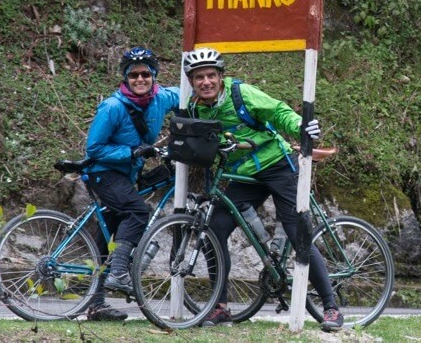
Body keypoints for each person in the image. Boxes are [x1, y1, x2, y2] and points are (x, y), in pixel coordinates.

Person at [182, 47, 344, 331]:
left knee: (297, 233)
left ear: (221, 77)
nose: (205, 82)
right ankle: (219, 307)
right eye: (199, 77)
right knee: (215, 229)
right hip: (243, 175)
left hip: (276, 165)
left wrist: (300, 125)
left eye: (210, 75)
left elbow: (278, 111)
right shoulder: (195, 107)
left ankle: (330, 308)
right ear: (192, 81)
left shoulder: (240, 94)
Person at [84, 47, 179, 321]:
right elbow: (94, 148)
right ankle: (119, 272)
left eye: (145, 74)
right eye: (134, 75)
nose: (140, 79)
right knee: (138, 211)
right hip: (103, 172)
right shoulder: (112, 107)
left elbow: (189, 92)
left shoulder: (161, 98)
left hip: (125, 176)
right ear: (125, 78)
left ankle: (97, 305)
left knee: (106, 236)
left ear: (154, 76)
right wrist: (131, 153)